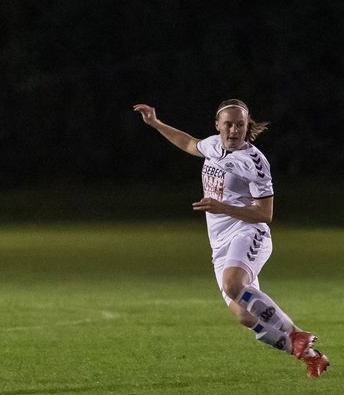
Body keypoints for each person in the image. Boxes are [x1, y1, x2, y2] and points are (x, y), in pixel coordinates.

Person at [133, 99, 330, 377]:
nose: (234, 130)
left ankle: (296, 334)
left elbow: (265, 214)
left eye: (240, 124)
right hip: (220, 242)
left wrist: (221, 207)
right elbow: (189, 144)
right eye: (228, 124)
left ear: (246, 126)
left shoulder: (255, 163)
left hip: (249, 232)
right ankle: (312, 356)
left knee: (233, 284)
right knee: (245, 316)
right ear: (218, 125)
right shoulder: (213, 145)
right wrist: (155, 123)